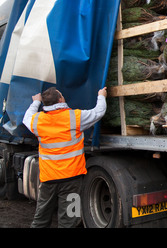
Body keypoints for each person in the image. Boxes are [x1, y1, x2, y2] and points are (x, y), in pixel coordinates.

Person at [23, 86, 107, 228]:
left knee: (41, 219)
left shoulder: (37, 121)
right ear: (61, 99)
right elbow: (98, 112)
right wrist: (101, 96)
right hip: (72, 180)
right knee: (70, 220)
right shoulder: (74, 117)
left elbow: (26, 117)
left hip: (48, 180)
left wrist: (35, 102)